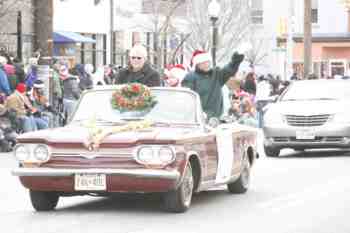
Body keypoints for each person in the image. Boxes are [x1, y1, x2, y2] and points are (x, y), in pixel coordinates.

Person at [182, 50, 245, 119]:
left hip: (215, 117)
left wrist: (235, 61)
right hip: (197, 117)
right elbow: (187, 98)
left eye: (208, 62)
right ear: (197, 64)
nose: (206, 65)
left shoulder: (216, 74)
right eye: (203, 63)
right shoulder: (190, 77)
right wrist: (197, 113)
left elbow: (228, 70)